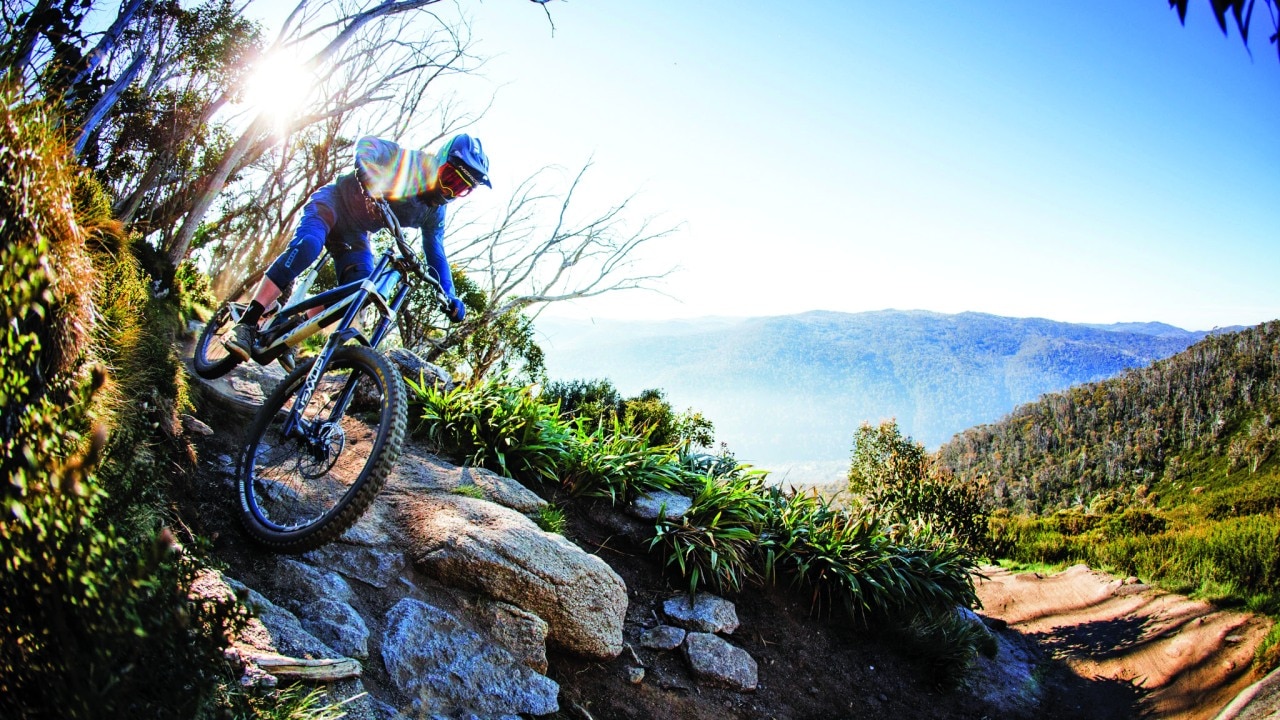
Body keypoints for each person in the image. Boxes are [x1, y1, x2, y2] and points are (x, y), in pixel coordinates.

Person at [223, 133, 491, 362]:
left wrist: (450, 295)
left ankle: (289, 329)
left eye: (461, 188)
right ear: (440, 160)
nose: (449, 190)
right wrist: (369, 172)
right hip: (333, 203)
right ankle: (247, 322)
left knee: (359, 289)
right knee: (308, 245)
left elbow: (436, 255)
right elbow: (367, 145)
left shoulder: (434, 213)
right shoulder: (410, 163)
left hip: (355, 233)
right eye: (450, 178)